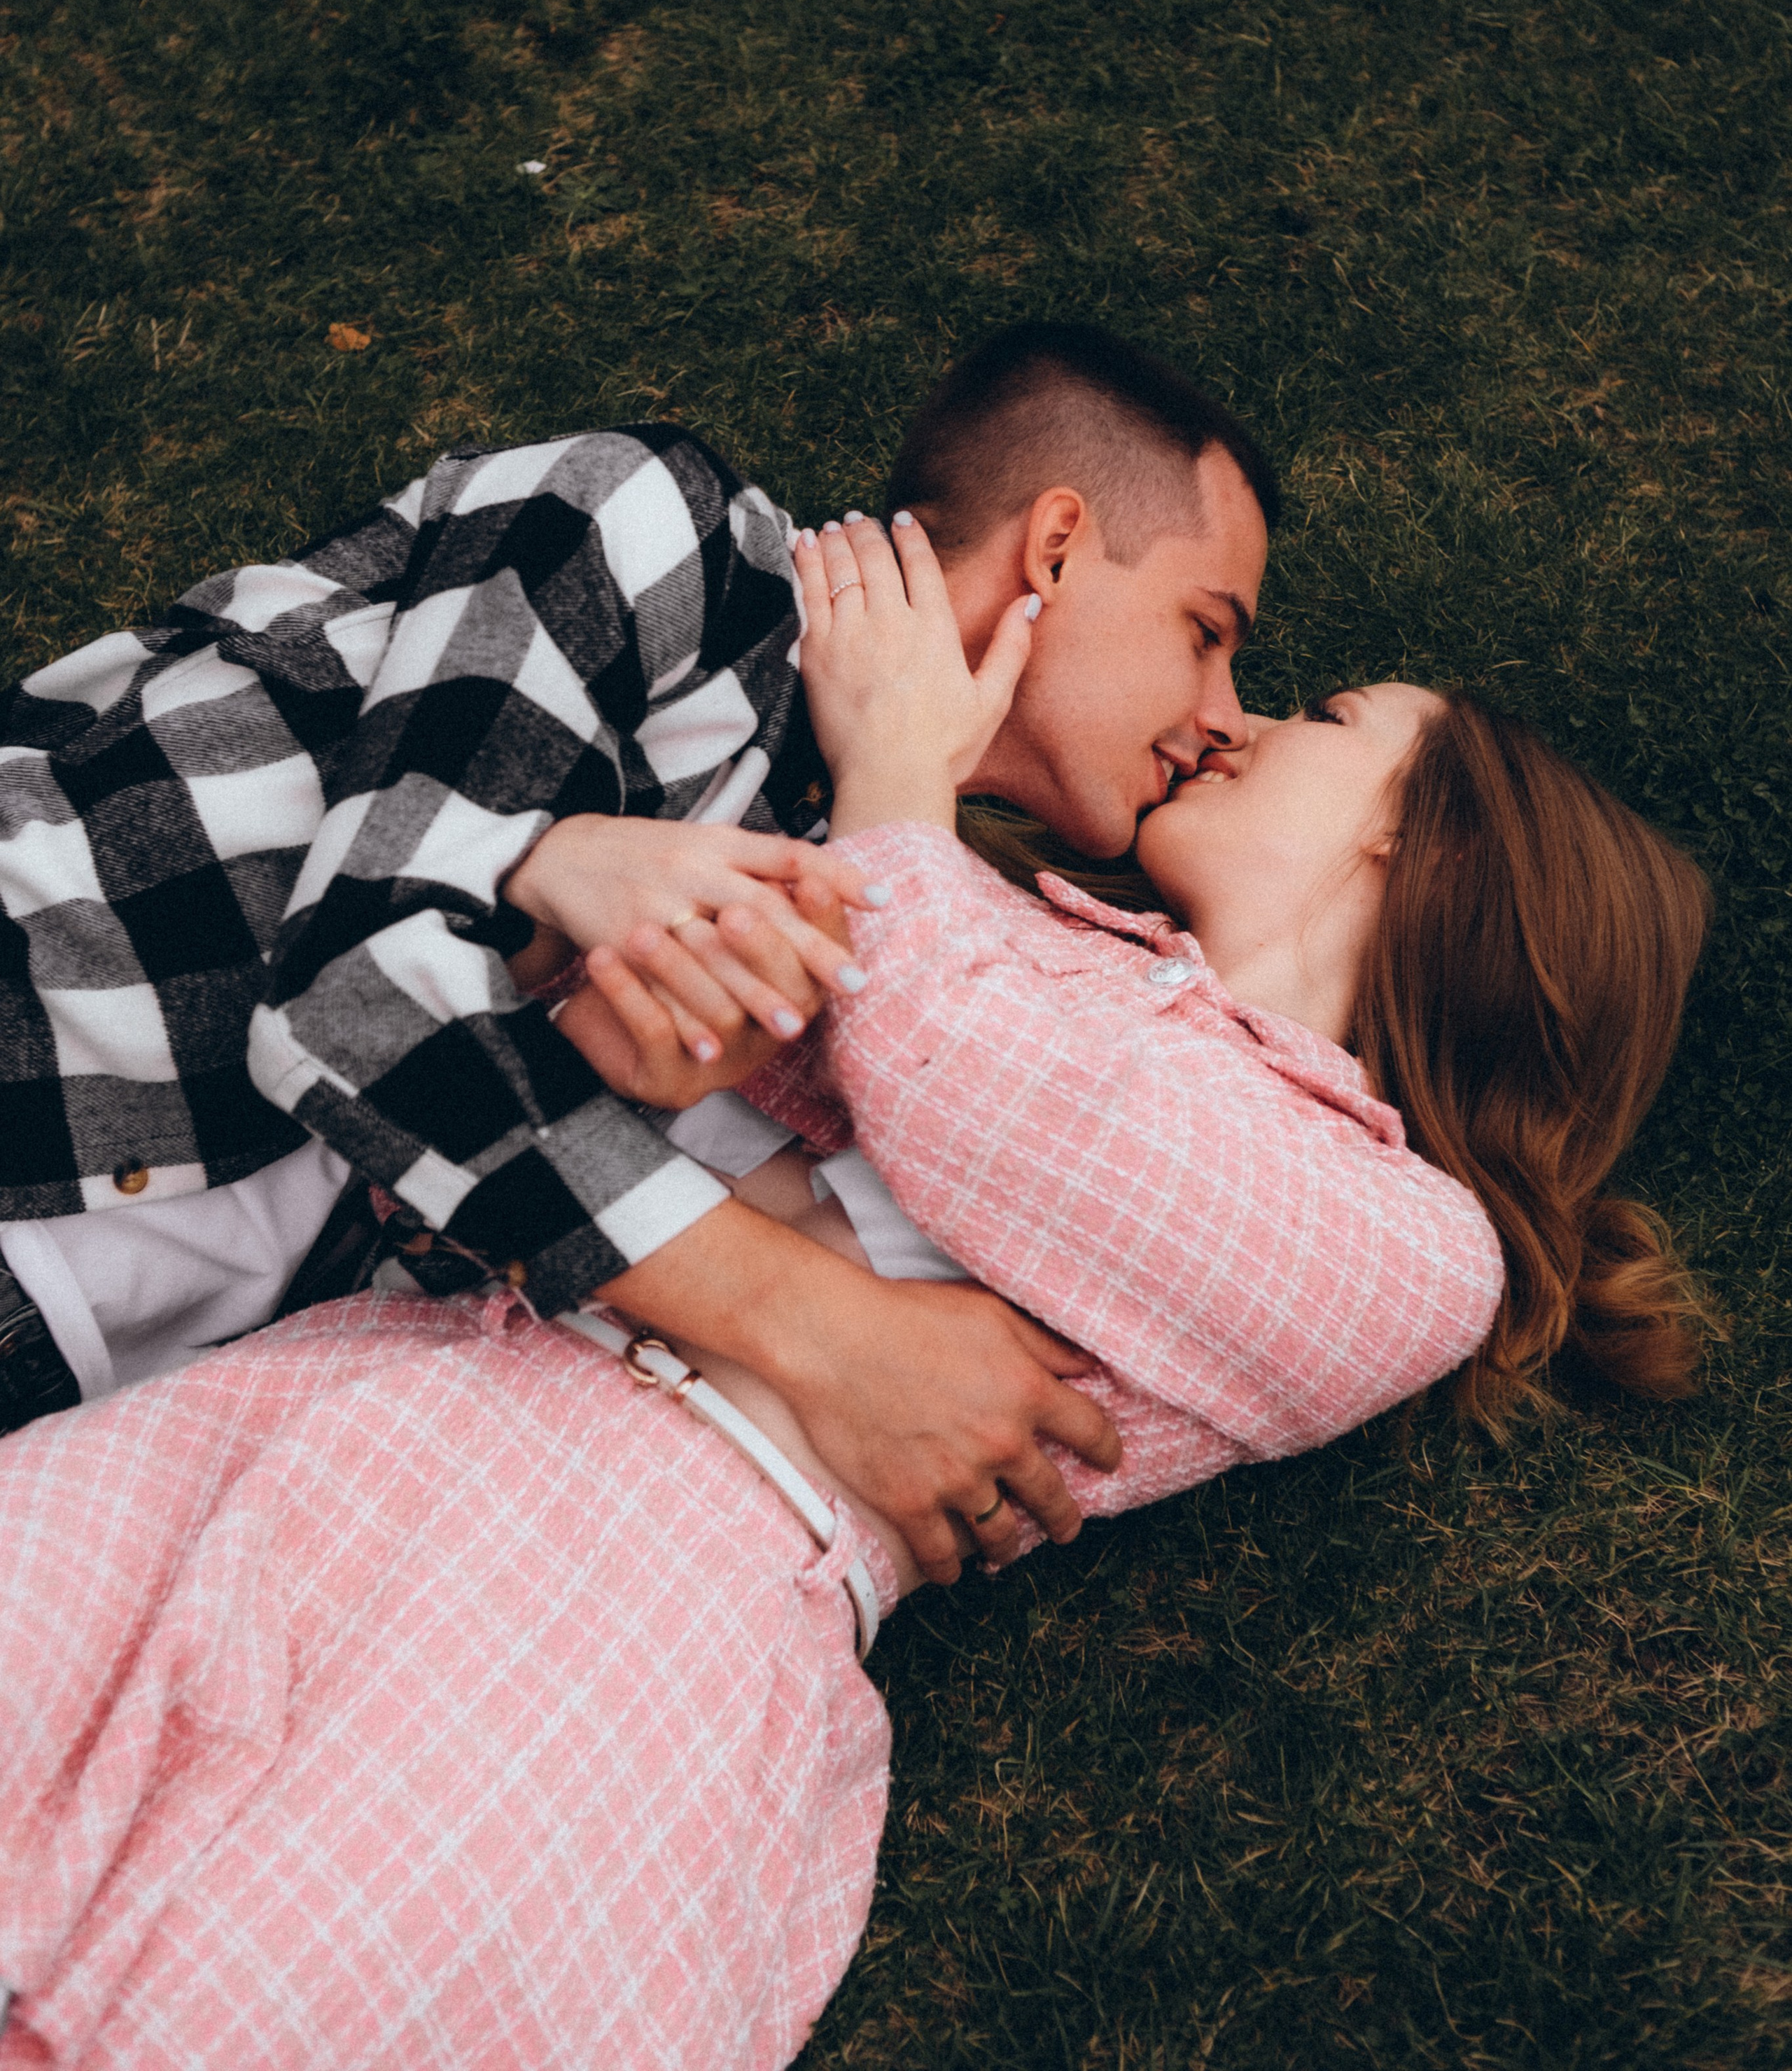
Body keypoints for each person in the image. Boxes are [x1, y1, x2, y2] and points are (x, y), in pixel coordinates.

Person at [0, 515, 1712, 2071]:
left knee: (236, 2000)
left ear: (1413, 844)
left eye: (1326, 716)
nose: (1248, 721)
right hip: (371, 1386)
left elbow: (978, 1099)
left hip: (628, 1599)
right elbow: (739, 1069)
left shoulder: (1404, 1246)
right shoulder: (1029, 946)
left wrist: (896, 771)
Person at [0, 321, 1273, 1565]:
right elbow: (350, 1004)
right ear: (1056, 547)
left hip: (87, 1350)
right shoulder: (670, 533)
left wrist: (569, 965)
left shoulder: (863, 878)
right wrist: (828, 1333)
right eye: (1207, 633)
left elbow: (462, 1212)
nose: (1225, 718)